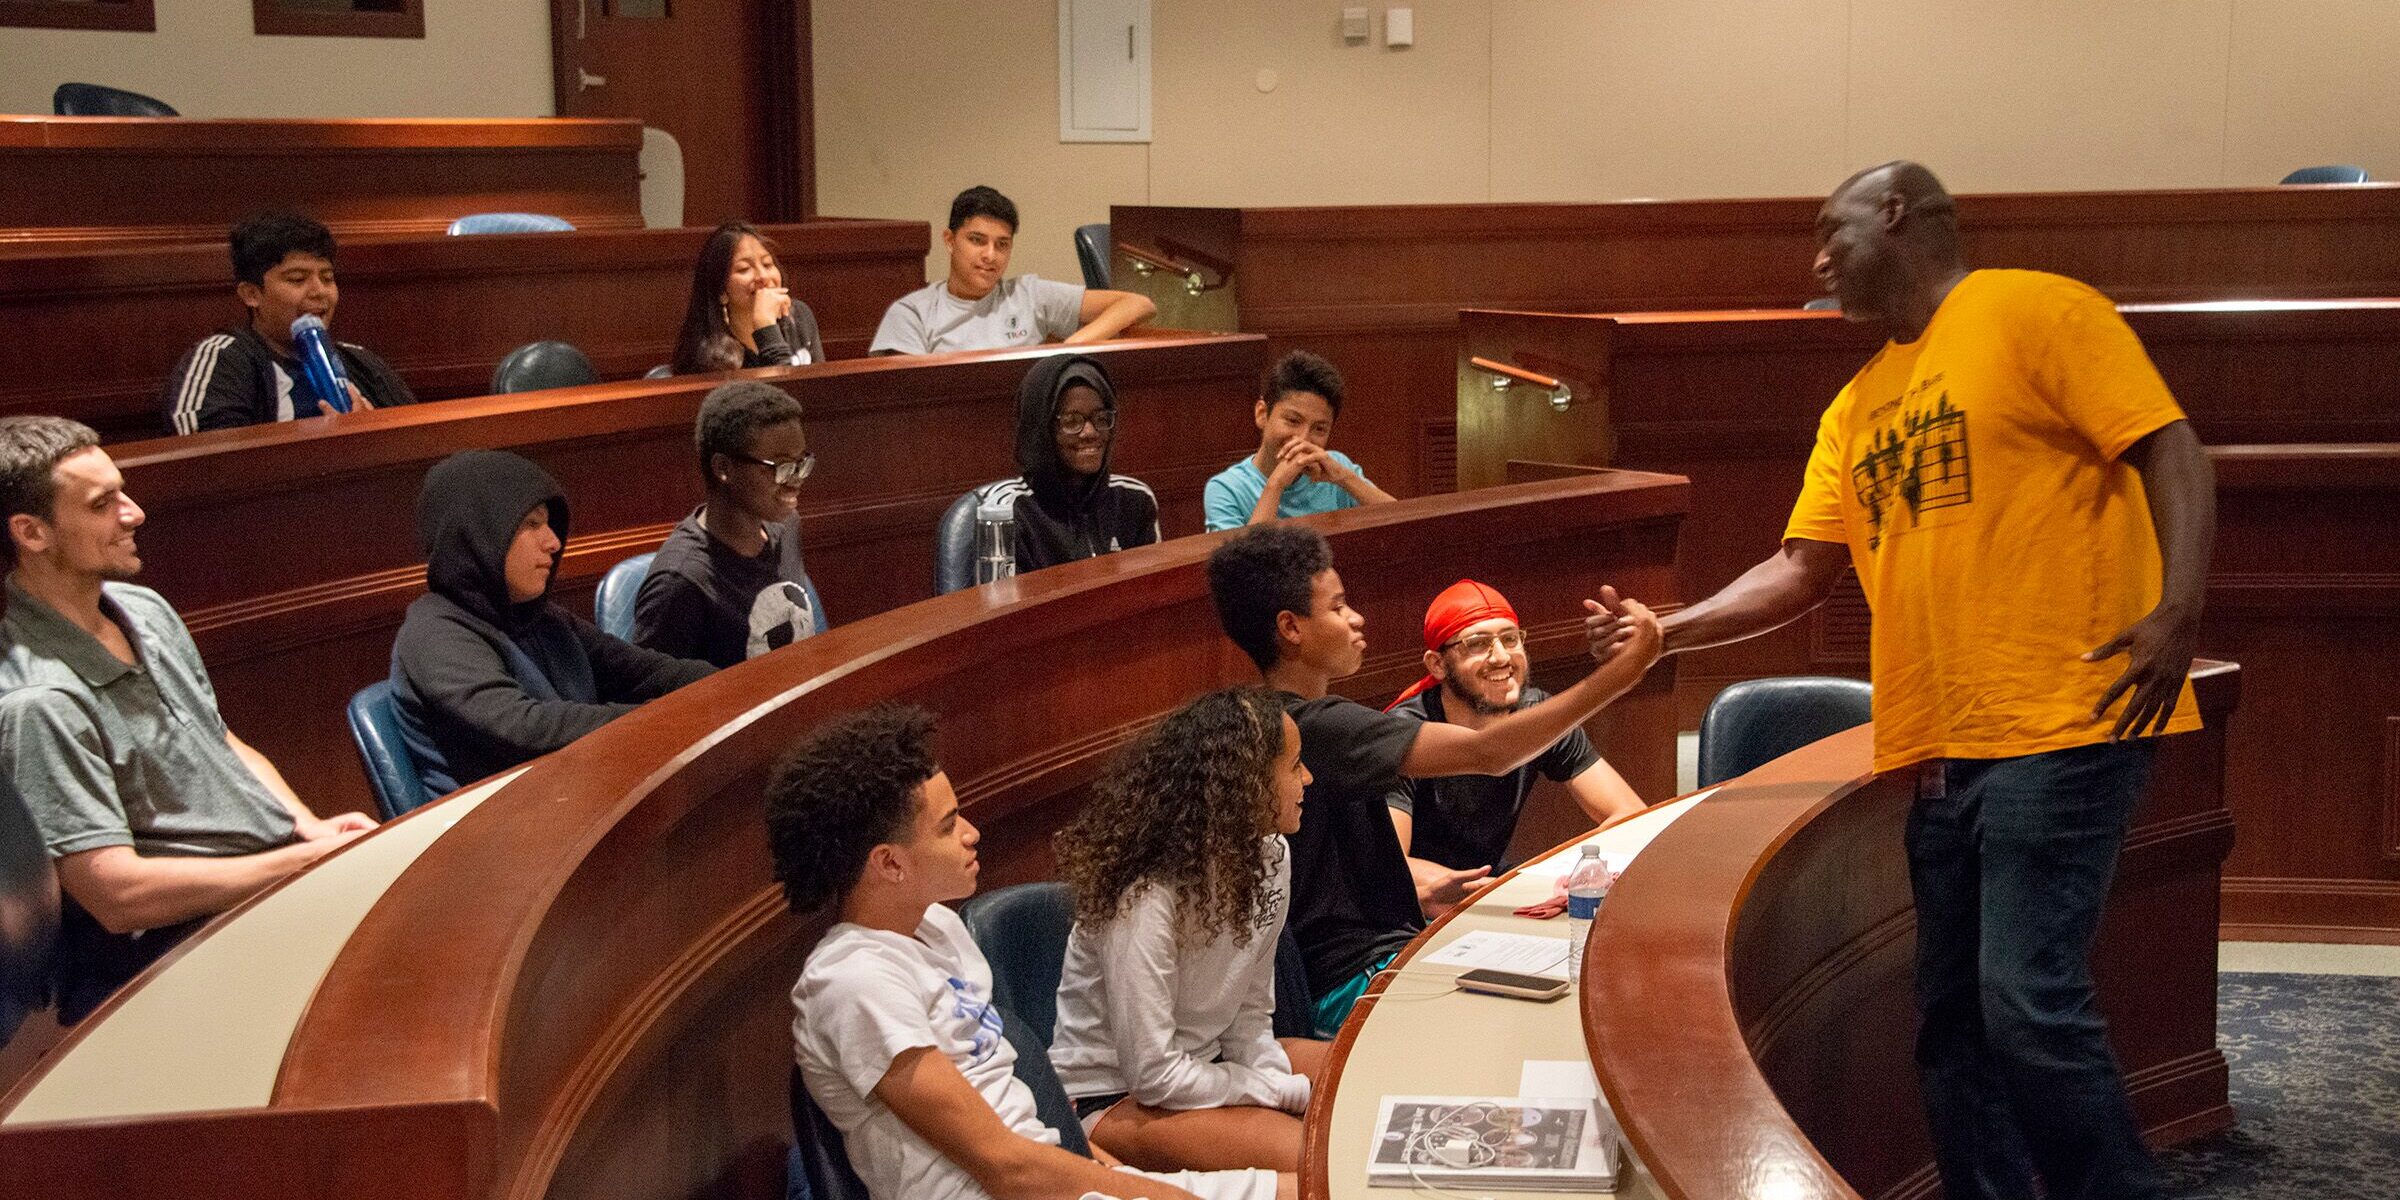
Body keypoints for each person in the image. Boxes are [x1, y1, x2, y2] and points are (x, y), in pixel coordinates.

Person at [1658, 161, 2214, 1200]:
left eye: (1832, 229)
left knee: (2026, 1003)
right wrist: (1668, 632)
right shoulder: (1857, 401)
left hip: (2066, 715)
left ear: (1899, 213)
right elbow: (1799, 568)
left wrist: (2178, 613)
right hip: (1943, 749)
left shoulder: (2037, 309)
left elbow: (2171, 448)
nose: (1817, 257)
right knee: (1952, 1024)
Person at [773, 704, 1284, 1200]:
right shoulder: (851, 983)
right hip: (1013, 1189)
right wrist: (1156, 1193)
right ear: (890, 864)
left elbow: (1023, 1109)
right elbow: (1006, 1168)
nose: (972, 834)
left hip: (1059, 1175)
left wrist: (1124, 1176)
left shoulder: (936, 928)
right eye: (949, 825)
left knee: (1310, 1188)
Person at [1203, 525, 1662, 1034]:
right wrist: (1626, 672)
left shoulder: (1301, 718)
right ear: (1291, 628)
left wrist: (1416, 888)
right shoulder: (1313, 726)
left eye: (1511, 639)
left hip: (1385, 952)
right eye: (1337, 607)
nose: (1356, 618)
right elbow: (1490, 752)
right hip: (1350, 981)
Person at [0, 416, 378, 1021]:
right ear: (32, 533)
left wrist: (309, 828)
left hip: (264, 888)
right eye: (103, 505)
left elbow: (219, 739)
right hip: (169, 956)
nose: (134, 513)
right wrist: (295, 866)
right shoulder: (38, 701)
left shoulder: (142, 607)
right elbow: (117, 895)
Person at [1048, 687, 1325, 1175]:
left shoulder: (1272, 854)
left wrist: (1268, 1080)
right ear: (1245, 784)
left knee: (1372, 1082)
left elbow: (1249, 1013)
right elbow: (1153, 1074)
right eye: (1294, 765)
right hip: (1116, 1095)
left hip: (1208, 1064)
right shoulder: (1146, 894)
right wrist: (1272, 1091)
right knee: (1319, 1163)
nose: (1308, 778)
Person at [390, 449, 714, 798]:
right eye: (531, 524)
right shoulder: (435, 634)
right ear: (479, 534)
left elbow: (646, 671)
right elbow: (527, 729)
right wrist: (668, 721)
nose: (554, 542)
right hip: (496, 834)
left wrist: (731, 688)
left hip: (570, 801)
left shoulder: (540, 616)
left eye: (549, 524)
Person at [1383, 580, 1644, 898]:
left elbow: (1631, 814)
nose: (1501, 657)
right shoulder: (1404, 735)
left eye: (1511, 639)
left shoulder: (1536, 714)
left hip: (1491, 885)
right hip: (1414, 904)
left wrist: (1575, 871)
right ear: (1437, 664)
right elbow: (1390, 864)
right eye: (1478, 644)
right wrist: (1489, 890)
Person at [161, 211, 415, 435]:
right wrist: (337, 442)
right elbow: (210, 457)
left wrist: (375, 432)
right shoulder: (222, 358)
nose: (319, 292)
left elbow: (420, 439)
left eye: (327, 278)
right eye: (297, 279)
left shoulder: (359, 360)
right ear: (252, 294)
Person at [630, 381, 824, 667]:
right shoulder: (680, 584)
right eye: (781, 466)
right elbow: (653, 701)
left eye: (801, 463)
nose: (795, 480)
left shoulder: (785, 528)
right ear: (724, 469)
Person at [870, 186, 1157, 355]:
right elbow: (903, 398)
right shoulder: (913, 313)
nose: (990, 256)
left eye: (1002, 244)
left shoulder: (1027, 294)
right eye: (977, 241)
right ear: (950, 240)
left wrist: (1065, 350)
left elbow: (1139, 304)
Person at [976, 355, 1159, 576]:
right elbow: (1001, 605)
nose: (1090, 433)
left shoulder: (1134, 500)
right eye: (1072, 421)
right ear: (1042, 429)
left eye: (1101, 418)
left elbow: (1153, 595)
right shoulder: (1007, 511)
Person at [1201, 352, 1393, 531]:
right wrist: (1276, 485)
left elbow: (1402, 525)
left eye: (1319, 429)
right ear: (1262, 414)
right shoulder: (1227, 489)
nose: (1303, 439)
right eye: (1293, 421)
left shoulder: (1337, 468)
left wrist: (1344, 478)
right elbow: (1242, 565)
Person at [670, 221, 827, 375]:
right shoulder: (710, 357)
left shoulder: (799, 316)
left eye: (767, 264)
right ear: (721, 291)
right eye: (744, 269)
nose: (763, 276)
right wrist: (766, 327)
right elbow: (780, 396)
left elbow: (818, 389)